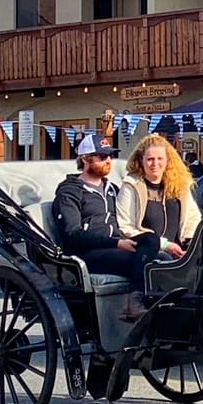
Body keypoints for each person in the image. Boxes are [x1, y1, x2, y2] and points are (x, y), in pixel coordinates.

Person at [51, 132, 158, 320]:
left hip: (118, 244)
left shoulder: (112, 189)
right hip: (87, 254)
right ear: (85, 159)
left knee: (153, 241)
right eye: (102, 156)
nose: (108, 160)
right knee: (143, 263)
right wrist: (116, 244)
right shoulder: (69, 192)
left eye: (110, 155)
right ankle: (135, 302)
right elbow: (72, 236)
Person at [117, 134, 202, 260]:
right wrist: (164, 245)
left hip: (179, 251)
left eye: (160, 159)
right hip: (148, 251)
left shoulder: (180, 185)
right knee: (164, 260)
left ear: (168, 160)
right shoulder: (131, 186)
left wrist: (190, 245)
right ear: (141, 160)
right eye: (150, 159)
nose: (155, 164)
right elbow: (126, 227)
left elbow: (192, 218)